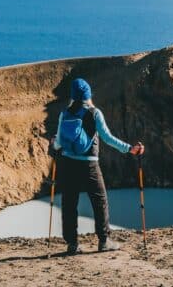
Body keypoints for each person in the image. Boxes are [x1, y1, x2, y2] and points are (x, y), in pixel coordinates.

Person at [52, 78, 144, 255]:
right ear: (88, 95)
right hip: (89, 165)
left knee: (69, 203)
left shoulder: (65, 113)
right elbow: (108, 138)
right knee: (99, 201)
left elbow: (59, 142)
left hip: (68, 164)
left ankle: (72, 244)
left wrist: (54, 145)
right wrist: (129, 149)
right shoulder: (95, 113)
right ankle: (103, 241)